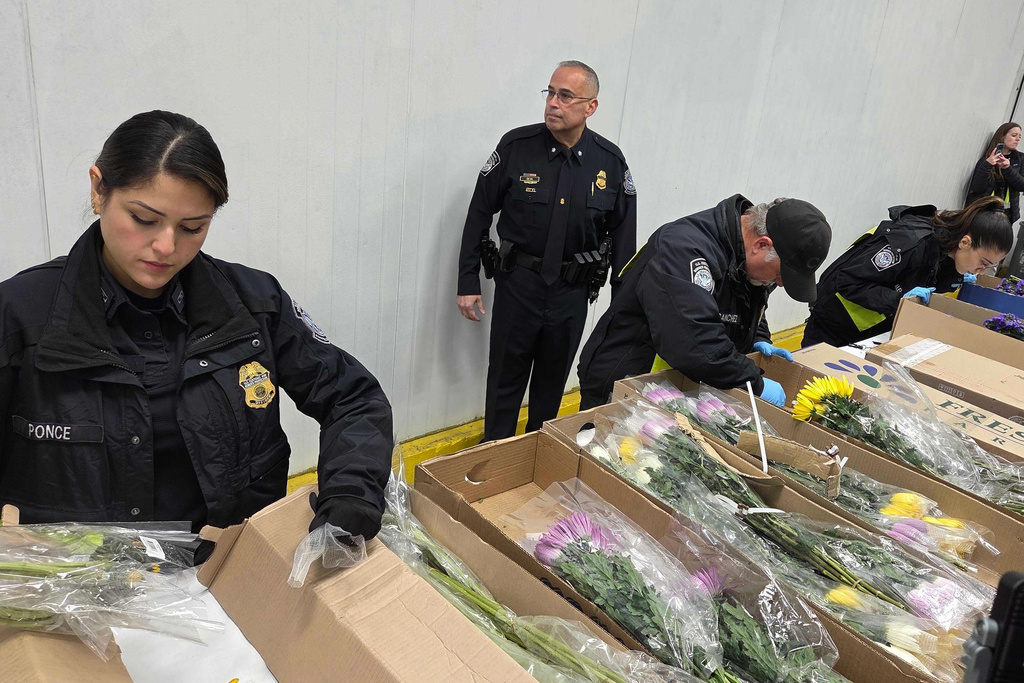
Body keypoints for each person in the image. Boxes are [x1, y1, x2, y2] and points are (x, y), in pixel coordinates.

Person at [0, 111, 394, 540]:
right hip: (78, 596)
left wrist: (352, 495)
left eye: (193, 227)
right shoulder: (20, 316)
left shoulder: (253, 304)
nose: (166, 247)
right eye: (143, 219)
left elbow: (352, 397)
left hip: (226, 578)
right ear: (99, 190)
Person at [457, 61, 637, 441]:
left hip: (571, 295)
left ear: (590, 107)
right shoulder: (515, 148)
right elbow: (477, 215)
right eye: (550, 93)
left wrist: (621, 311)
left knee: (550, 390)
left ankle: (535, 461)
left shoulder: (611, 163)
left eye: (566, 96)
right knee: (504, 384)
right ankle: (494, 457)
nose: (553, 103)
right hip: (518, 286)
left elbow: (624, 242)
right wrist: (467, 280)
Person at [578, 196, 831, 410]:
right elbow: (695, 342)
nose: (780, 283)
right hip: (626, 384)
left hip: (675, 386)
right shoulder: (683, 250)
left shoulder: (746, 254)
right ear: (762, 245)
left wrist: (759, 336)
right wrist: (755, 382)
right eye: (780, 275)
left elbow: (747, 301)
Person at [802, 196, 1012, 349]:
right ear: (965, 242)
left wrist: (955, 278)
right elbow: (847, 281)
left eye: (990, 266)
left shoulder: (946, 249)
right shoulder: (909, 243)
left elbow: (925, 280)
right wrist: (898, 299)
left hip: (868, 335)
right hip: (831, 329)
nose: (981, 271)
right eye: (983, 263)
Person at [966, 122, 1024, 225]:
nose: (1018, 139)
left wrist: (1007, 168)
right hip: (982, 212)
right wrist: (988, 164)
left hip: (1006, 213)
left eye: (1020, 136)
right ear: (1002, 136)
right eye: (1014, 135)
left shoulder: (1020, 159)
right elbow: (976, 188)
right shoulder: (988, 158)